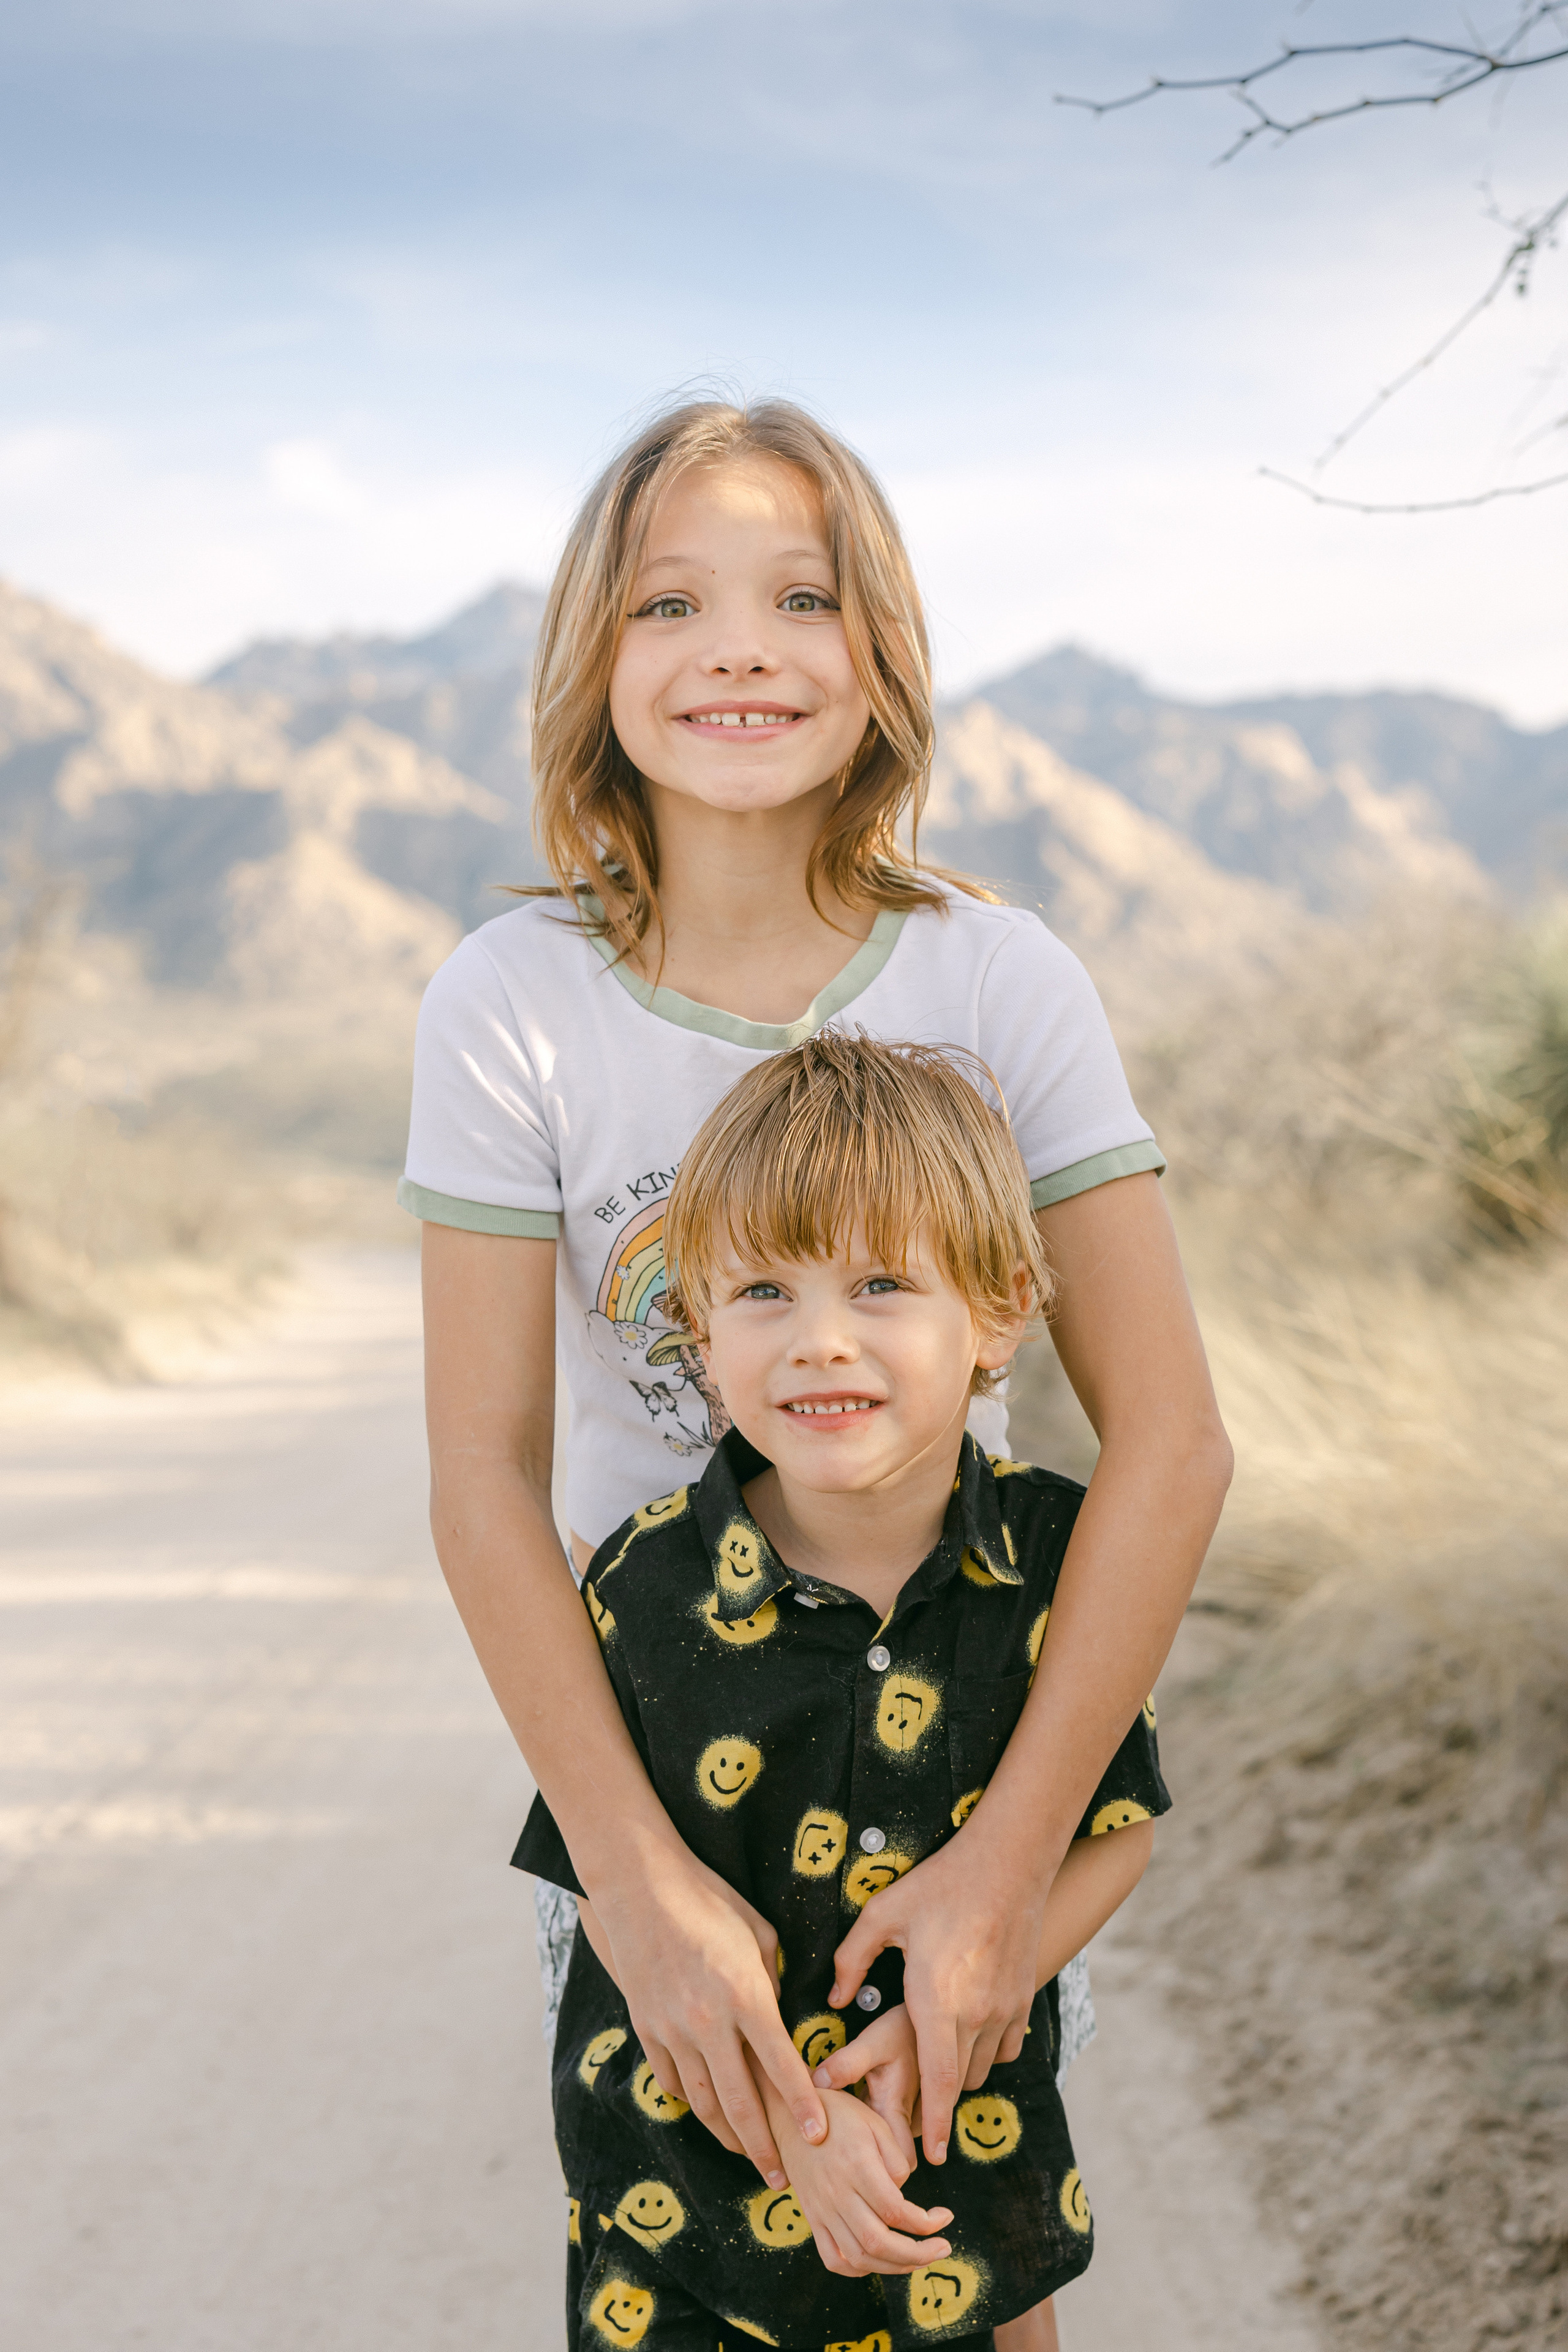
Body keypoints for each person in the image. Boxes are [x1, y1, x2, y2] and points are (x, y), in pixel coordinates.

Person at [404, 396, 1230, 2207]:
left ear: (879, 650)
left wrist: (1004, 1877)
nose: (740, 653)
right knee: (686, 2272)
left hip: (958, 1793)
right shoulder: (512, 1001)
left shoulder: (997, 978)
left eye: (801, 595)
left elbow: (1171, 1442)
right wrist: (631, 1884)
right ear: (593, 657)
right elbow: (480, 1472)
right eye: (667, 605)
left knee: (966, 2259)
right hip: (658, 1793)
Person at [515, 1033, 1169, 2350]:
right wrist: (802, 2128)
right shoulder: (644, 1586)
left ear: (993, 1313)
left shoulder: (1050, 1563)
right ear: (698, 1337)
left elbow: (1116, 1825)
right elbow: (607, 1888)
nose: (819, 1342)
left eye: (879, 1284)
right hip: (690, 2200)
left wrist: (938, 2031)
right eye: (760, 1292)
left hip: (955, 2153)